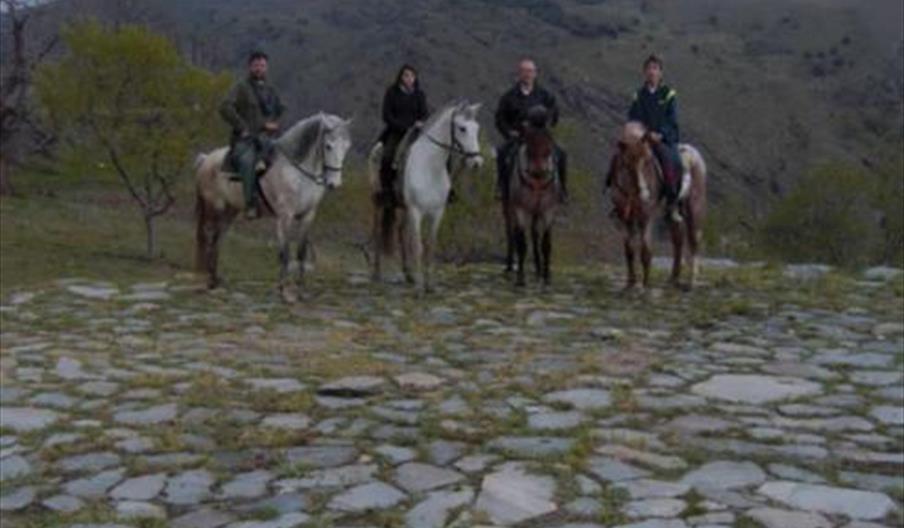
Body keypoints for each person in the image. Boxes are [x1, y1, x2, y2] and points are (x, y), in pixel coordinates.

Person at [219, 51, 286, 219]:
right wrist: (242, 127)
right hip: (245, 139)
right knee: (247, 161)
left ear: (267, 68)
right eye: (256, 65)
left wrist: (276, 123)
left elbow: (281, 109)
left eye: (262, 65)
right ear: (250, 67)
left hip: (266, 139)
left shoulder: (271, 89)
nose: (259, 68)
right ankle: (250, 205)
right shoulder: (241, 87)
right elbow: (225, 107)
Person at [494, 58, 568, 203]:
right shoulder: (509, 97)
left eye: (530, 71)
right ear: (519, 74)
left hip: (540, 138)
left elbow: (554, 113)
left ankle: (562, 191)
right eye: (524, 71)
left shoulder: (545, 95)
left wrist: (548, 125)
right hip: (518, 138)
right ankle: (501, 188)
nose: (527, 74)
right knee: (502, 154)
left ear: (535, 74)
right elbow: (500, 119)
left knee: (562, 154)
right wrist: (508, 132)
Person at [627, 54, 688, 222]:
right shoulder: (638, 95)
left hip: (663, 139)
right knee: (621, 157)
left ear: (661, 72)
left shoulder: (668, 94)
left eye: (655, 68)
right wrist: (638, 132)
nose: (651, 72)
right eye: (648, 68)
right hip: (643, 138)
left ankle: (672, 203)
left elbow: (672, 120)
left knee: (671, 161)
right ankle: (618, 200)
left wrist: (661, 134)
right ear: (644, 72)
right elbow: (633, 117)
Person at [378, 64, 429, 207]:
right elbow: (386, 115)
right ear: (400, 77)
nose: (409, 78)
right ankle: (386, 191)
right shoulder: (391, 92)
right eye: (406, 75)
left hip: (416, 132)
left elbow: (424, 113)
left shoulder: (420, 94)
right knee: (388, 156)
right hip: (396, 131)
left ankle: (446, 187)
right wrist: (401, 126)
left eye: (412, 76)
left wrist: (421, 122)